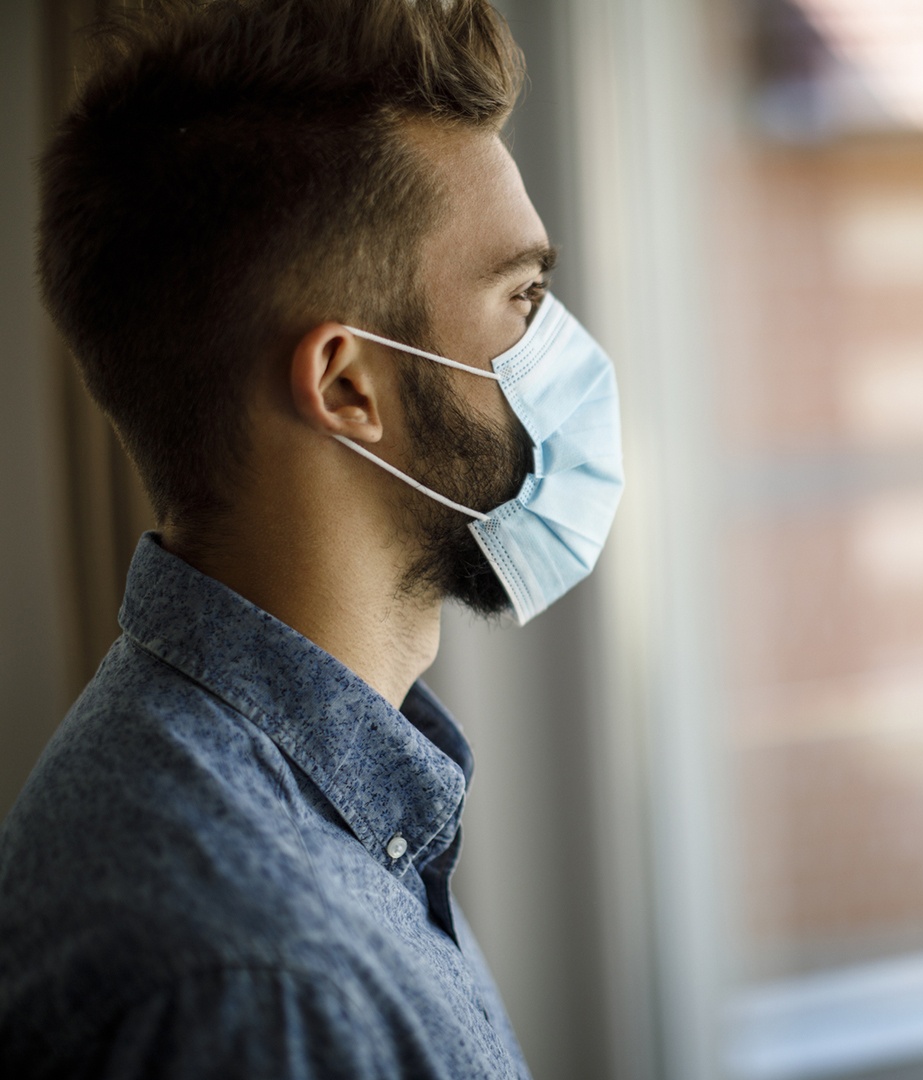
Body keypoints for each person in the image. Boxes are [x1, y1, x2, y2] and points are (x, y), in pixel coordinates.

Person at [0, 0, 623, 1075]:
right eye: (522, 298)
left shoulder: (323, 811)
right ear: (347, 385)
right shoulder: (254, 978)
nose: (563, 350)